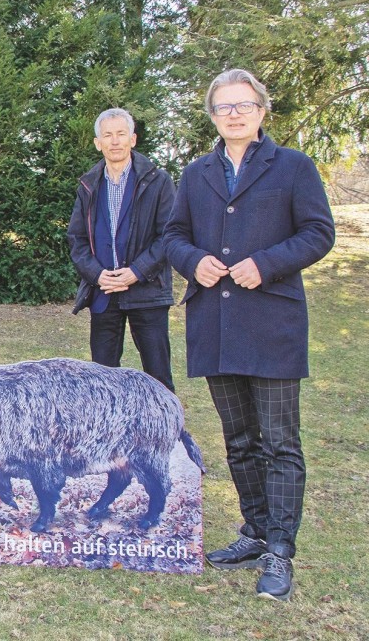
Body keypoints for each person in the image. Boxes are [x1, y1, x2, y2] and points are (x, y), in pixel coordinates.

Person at [164, 69, 335, 601]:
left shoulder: (294, 167)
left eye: (244, 104)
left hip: (273, 324)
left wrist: (266, 263)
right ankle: (255, 531)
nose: (234, 113)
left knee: (280, 443)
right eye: (223, 106)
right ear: (212, 116)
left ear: (262, 111)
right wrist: (195, 263)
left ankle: (280, 549)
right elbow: (173, 235)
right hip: (214, 323)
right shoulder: (195, 173)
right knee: (239, 442)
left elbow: (318, 232)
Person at [67, 108, 176, 391]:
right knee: (102, 381)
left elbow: (169, 235)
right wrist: (96, 275)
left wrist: (137, 271)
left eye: (120, 134)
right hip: (104, 294)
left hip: (147, 292)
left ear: (133, 139)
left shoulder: (158, 181)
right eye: (107, 135)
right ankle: (108, 434)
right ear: (97, 142)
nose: (114, 141)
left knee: (158, 378)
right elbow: (76, 239)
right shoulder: (88, 184)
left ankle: (168, 434)